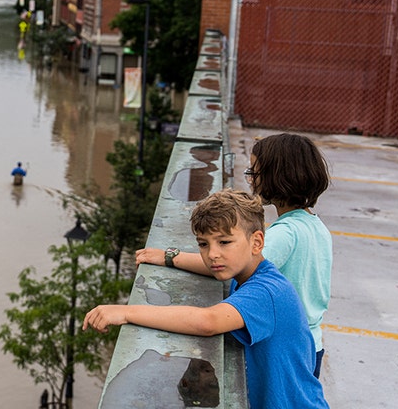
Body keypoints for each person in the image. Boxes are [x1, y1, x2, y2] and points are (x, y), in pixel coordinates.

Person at [84, 190, 329, 409]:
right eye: (203, 244)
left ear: (257, 242)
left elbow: (208, 322)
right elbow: (213, 267)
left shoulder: (267, 292)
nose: (212, 254)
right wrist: (169, 257)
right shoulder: (248, 272)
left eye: (224, 242)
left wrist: (126, 312)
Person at [134, 133, 332, 378]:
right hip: (311, 342)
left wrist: (170, 257)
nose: (250, 179)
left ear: (277, 177)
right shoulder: (314, 225)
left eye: (255, 172)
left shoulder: (286, 233)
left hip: (289, 349)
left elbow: (229, 265)